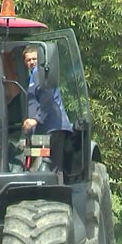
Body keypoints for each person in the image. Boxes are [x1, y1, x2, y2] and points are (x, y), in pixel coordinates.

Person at [21, 45, 72, 176]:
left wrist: (35, 119)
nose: (32, 62)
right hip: (45, 128)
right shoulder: (32, 76)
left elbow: (48, 97)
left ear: (41, 60)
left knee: (51, 169)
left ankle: (56, 194)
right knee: (45, 168)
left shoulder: (40, 74)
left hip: (52, 127)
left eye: (34, 59)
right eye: (28, 60)